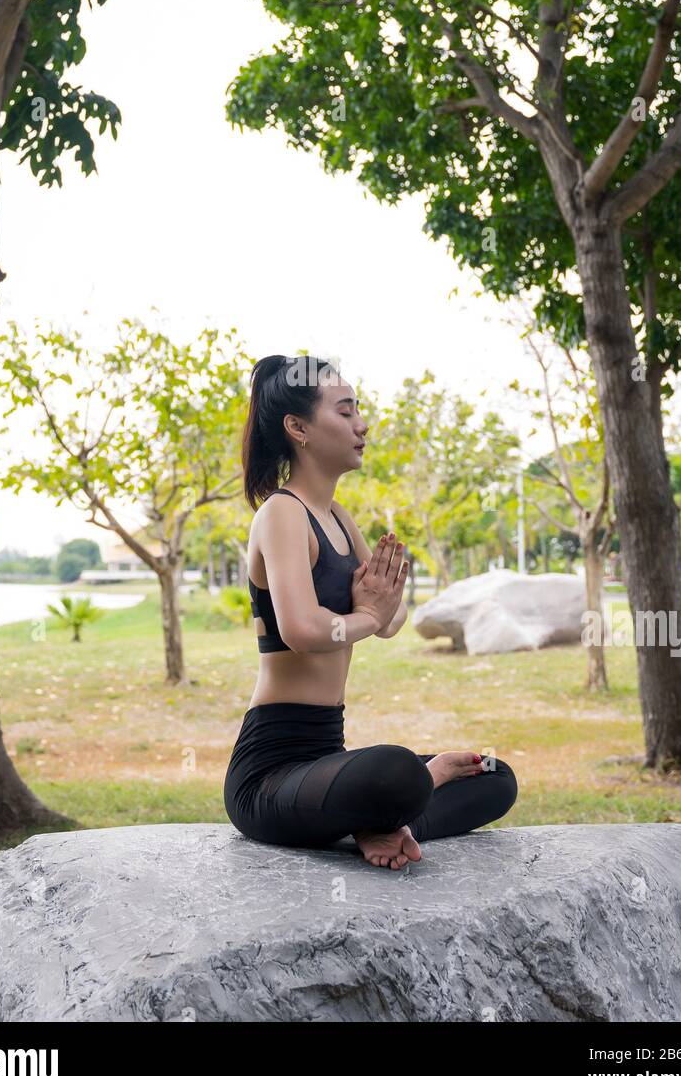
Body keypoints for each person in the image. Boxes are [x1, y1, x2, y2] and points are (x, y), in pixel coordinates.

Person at [222, 353, 518, 870]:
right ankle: (391, 802)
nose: (361, 425)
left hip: (327, 757)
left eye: (358, 410)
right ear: (298, 428)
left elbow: (392, 621)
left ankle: (381, 823)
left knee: (494, 775)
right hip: (270, 773)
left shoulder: (337, 516)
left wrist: (379, 608)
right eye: (344, 411)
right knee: (396, 771)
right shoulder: (281, 514)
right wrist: (369, 615)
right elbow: (302, 630)